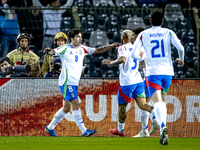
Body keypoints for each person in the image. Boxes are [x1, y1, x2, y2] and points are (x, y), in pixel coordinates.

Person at [43, 28, 120, 137]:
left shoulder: (82, 48)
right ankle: (84, 131)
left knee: (66, 108)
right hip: (67, 82)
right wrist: (49, 51)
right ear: (72, 38)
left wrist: (110, 46)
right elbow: (54, 51)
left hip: (74, 83)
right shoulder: (64, 48)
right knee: (75, 104)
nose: (80, 39)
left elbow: (98, 50)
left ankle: (49, 128)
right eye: (78, 37)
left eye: (81, 37)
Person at [131, 8, 184, 145]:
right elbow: (181, 48)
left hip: (153, 73)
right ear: (162, 20)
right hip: (168, 73)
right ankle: (160, 124)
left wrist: (141, 57)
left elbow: (133, 54)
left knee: (157, 102)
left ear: (150, 20)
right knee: (161, 101)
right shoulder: (169, 32)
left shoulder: (144, 34)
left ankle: (162, 126)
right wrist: (182, 59)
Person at [102, 30, 154, 137]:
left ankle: (120, 130)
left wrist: (111, 63)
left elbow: (123, 59)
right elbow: (143, 63)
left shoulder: (122, 48)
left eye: (121, 35)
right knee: (143, 105)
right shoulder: (136, 47)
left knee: (122, 107)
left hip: (127, 82)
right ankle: (158, 118)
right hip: (138, 80)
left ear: (124, 37)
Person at [131, 27, 159, 138]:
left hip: (144, 79)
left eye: (134, 35)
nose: (133, 38)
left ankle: (155, 120)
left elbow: (144, 62)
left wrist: (140, 66)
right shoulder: (149, 45)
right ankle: (145, 130)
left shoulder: (140, 47)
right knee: (144, 105)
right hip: (152, 77)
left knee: (143, 105)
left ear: (138, 36)